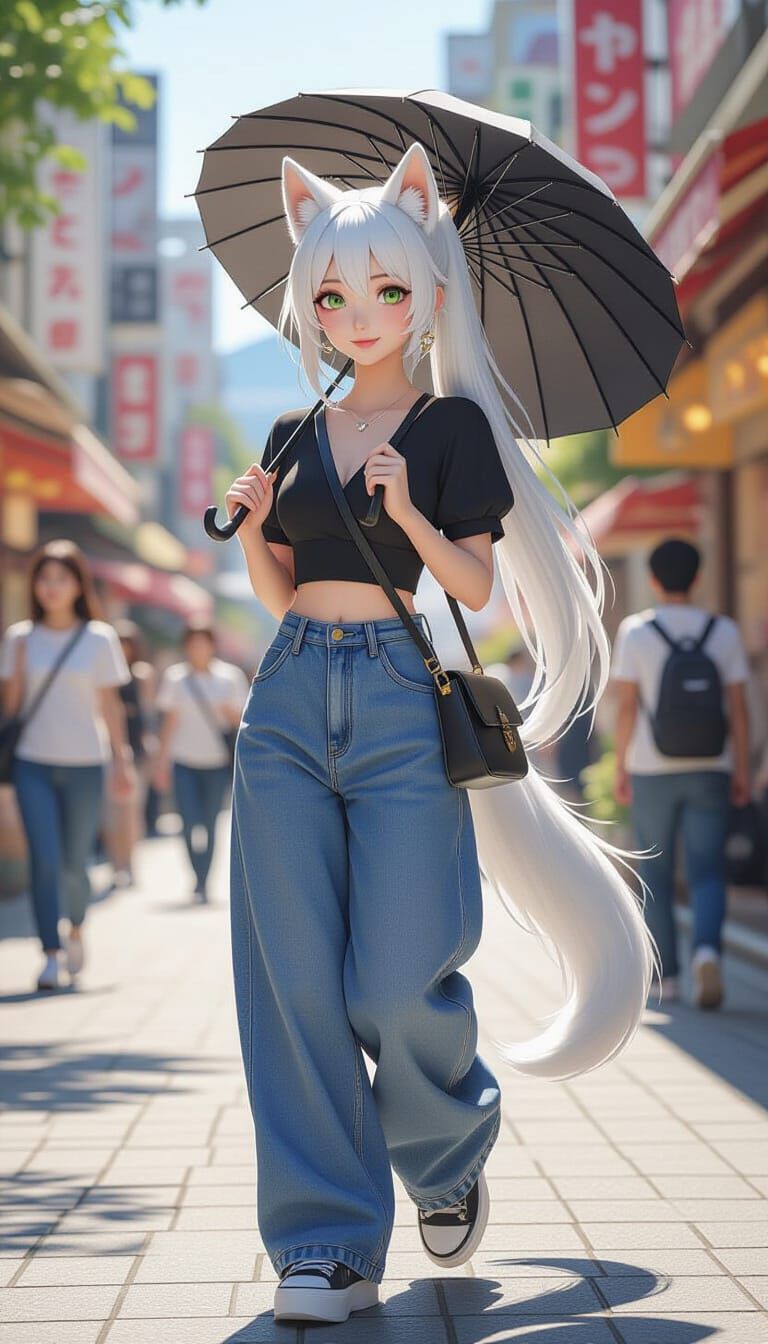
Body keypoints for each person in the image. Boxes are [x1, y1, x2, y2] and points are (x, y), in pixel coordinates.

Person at [220, 143, 656, 1326]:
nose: (359, 314)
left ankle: (447, 1148)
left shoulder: (452, 426)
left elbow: (473, 583)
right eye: (333, 296)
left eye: (387, 291)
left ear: (430, 288)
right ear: (308, 299)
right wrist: (261, 522)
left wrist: (408, 503)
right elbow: (277, 594)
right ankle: (324, 1246)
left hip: (404, 695)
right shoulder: (292, 428)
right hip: (289, 696)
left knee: (403, 968)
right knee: (291, 981)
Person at [610, 538, 751, 1009]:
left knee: (656, 872)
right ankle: (707, 952)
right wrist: (744, 769)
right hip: (712, 766)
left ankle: (665, 979)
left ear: (652, 579)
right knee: (708, 870)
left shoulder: (637, 631)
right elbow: (738, 709)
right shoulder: (724, 631)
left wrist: (621, 765)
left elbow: (627, 706)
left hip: (652, 769)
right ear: (697, 577)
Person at [0, 540, 136, 991]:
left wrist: (121, 760)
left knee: (76, 863)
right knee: (43, 858)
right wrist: (18, 668)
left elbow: (110, 705)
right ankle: (50, 953)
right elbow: (13, 707)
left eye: (61, 579)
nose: (51, 588)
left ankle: (75, 927)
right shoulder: (19, 637)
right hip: (32, 763)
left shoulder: (99, 637)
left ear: (78, 584)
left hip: (85, 762)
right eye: (43, 579)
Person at [152, 620, 249, 903]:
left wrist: (227, 711)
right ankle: (196, 874)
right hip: (183, 761)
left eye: (203, 643)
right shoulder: (176, 678)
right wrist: (161, 762)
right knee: (187, 821)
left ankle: (204, 880)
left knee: (208, 823)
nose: (198, 649)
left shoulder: (229, 678)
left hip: (217, 763)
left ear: (212, 645)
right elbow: (168, 723)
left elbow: (243, 720)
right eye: (192, 643)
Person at [102, 620, 156, 888]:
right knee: (112, 812)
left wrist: (151, 743)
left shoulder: (142, 673)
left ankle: (130, 863)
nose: (123, 649)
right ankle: (116, 865)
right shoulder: (105, 675)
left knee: (132, 810)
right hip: (108, 749)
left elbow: (146, 712)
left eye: (126, 644)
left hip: (136, 748)